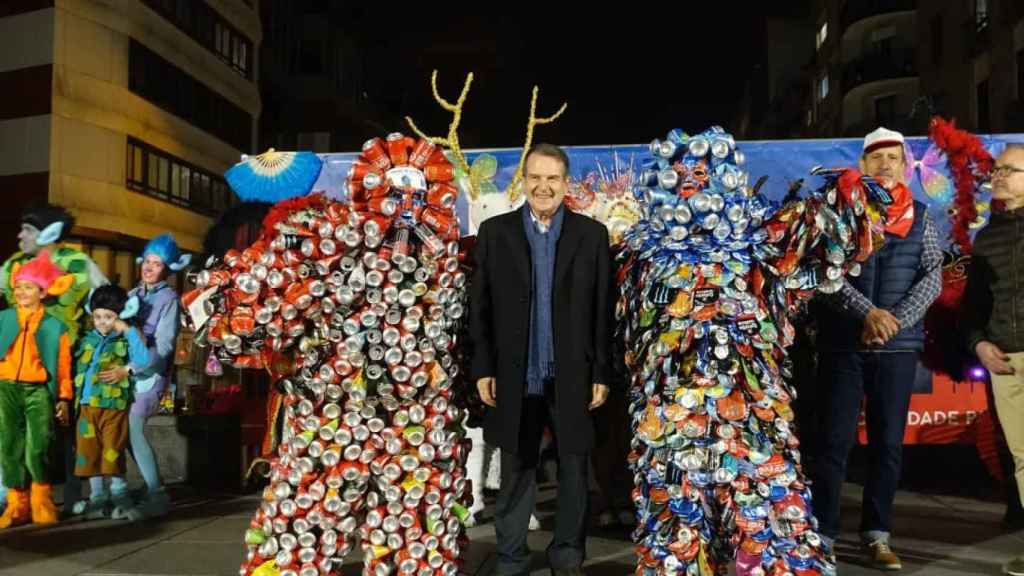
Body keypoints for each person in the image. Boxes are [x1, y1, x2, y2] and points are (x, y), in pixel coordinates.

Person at [469, 143, 614, 576]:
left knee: (573, 470)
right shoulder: (496, 234)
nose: (543, 186)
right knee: (516, 470)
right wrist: (483, 368)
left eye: (552, 178)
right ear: (524, 181)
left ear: (565, 184)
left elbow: (603, 310)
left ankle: (566, 558)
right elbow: (480, 309)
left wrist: (601, 371)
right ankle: (511, 559)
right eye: (535, 177)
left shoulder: (591, 236)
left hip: (573, 372)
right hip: (515, 374)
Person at [812, 127, 943, 570]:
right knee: (832, 442)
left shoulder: (922, 216)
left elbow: (932, 276)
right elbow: (826, 276)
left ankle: (877, 533)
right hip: (843, 343)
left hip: (896, 346)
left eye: (893, 158)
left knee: (888, 443)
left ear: (906, 167)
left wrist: (892, 322)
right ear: (863, 165)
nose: (885, 166)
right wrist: (867, 314)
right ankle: (824, 532)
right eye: (876, 158)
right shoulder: (839, 212)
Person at [0, 204, 106, 515]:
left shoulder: (77, 263)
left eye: (28, 230)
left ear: (49, 233)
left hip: (64, 364)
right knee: (8, 431)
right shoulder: (15, 264)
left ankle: (71, 497)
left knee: (63, 436)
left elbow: (105, 303)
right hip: (16, 363)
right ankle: (9, 496)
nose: (20, 235)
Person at [961, 143, 1024, 576]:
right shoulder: (987, 237)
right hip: (1007, 361)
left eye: (1010, 169)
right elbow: (973, 306)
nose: (998, 175)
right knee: (1022, 457)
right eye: (996, 169)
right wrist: (979, 344)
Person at [106, 234, 188, 520]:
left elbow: (164, 348)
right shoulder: (132, 295)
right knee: (126, 433)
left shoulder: (169, 299)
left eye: (157, 264)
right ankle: (151, 487)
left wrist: (130, 367)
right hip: (127, 373)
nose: (150, 268)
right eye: (148, 262)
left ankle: (157, 494)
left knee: (133, 428)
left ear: (167, 269)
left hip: (150, 375)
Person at [0, 251, 75, 527]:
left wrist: (64, 397)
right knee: (9, 447)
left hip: (38, 391)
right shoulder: (4, 319)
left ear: (43, 293)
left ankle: (41, 501)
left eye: (28, 287)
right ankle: (16, 505)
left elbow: (63, 365)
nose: (21, 292)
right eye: (18, 286)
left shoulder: (54, 326)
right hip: (5, 388)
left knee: (38, 447)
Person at [73, 285, 149, 519]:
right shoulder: (88, 340)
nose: (102, 322)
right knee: (89, 452)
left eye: (109, 317)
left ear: (120, 317)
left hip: (113, 408)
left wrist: (126, 332)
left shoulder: (127, 338)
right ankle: (97, 499)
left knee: (112, 451)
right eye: (97, 316)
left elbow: (144, 358)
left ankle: (120, 496)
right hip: (86, 406)